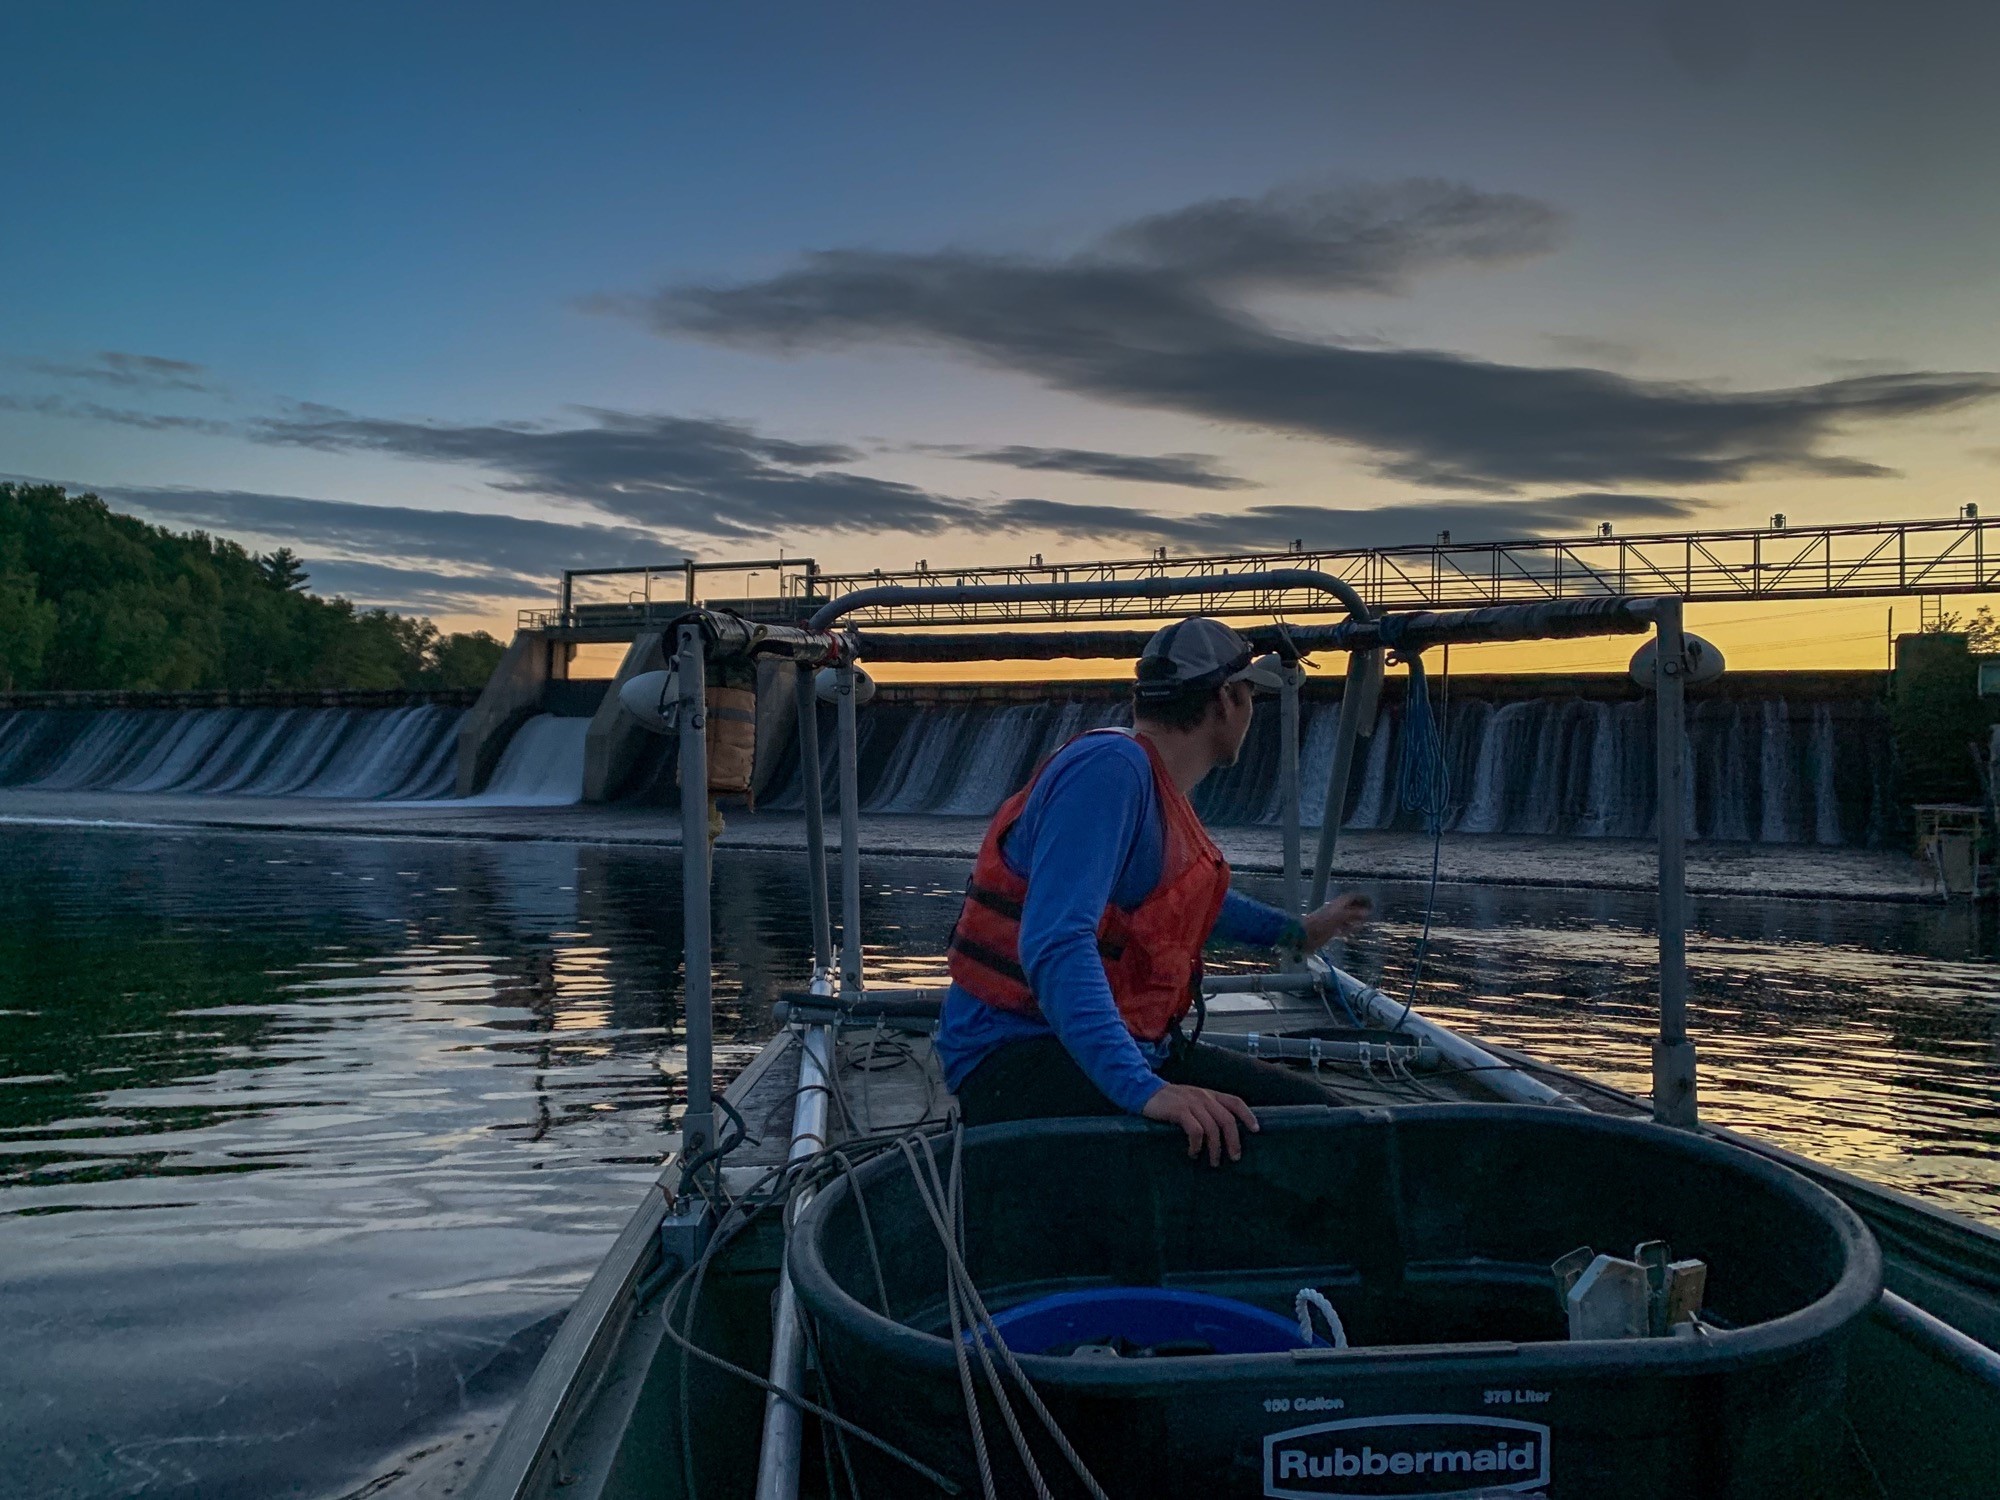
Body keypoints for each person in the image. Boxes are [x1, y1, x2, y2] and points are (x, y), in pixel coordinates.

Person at [936, 616, 1373, 1166]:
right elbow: (1055, 941)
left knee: (1330, 1127)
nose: (1251, 712)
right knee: (1250, 1154)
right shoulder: (1109, 770)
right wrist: (1146, 1091)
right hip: (1013, 1055)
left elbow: (1185, 906)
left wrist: (1297, 932)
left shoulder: (1145, 783)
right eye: (1251, 696)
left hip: (1111, 1050)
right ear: (1227, 699)